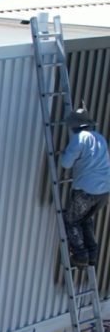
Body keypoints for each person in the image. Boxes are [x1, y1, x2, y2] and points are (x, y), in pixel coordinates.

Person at [61, 107, 110, 268]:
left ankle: (81, 256)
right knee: (85, 219)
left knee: (71, 220)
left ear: (74, 125)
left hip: (86, 191)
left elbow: (65, 163)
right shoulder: (100, 138)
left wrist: (65, 153)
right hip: (104, 192)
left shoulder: (79, 139)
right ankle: (92, 254)